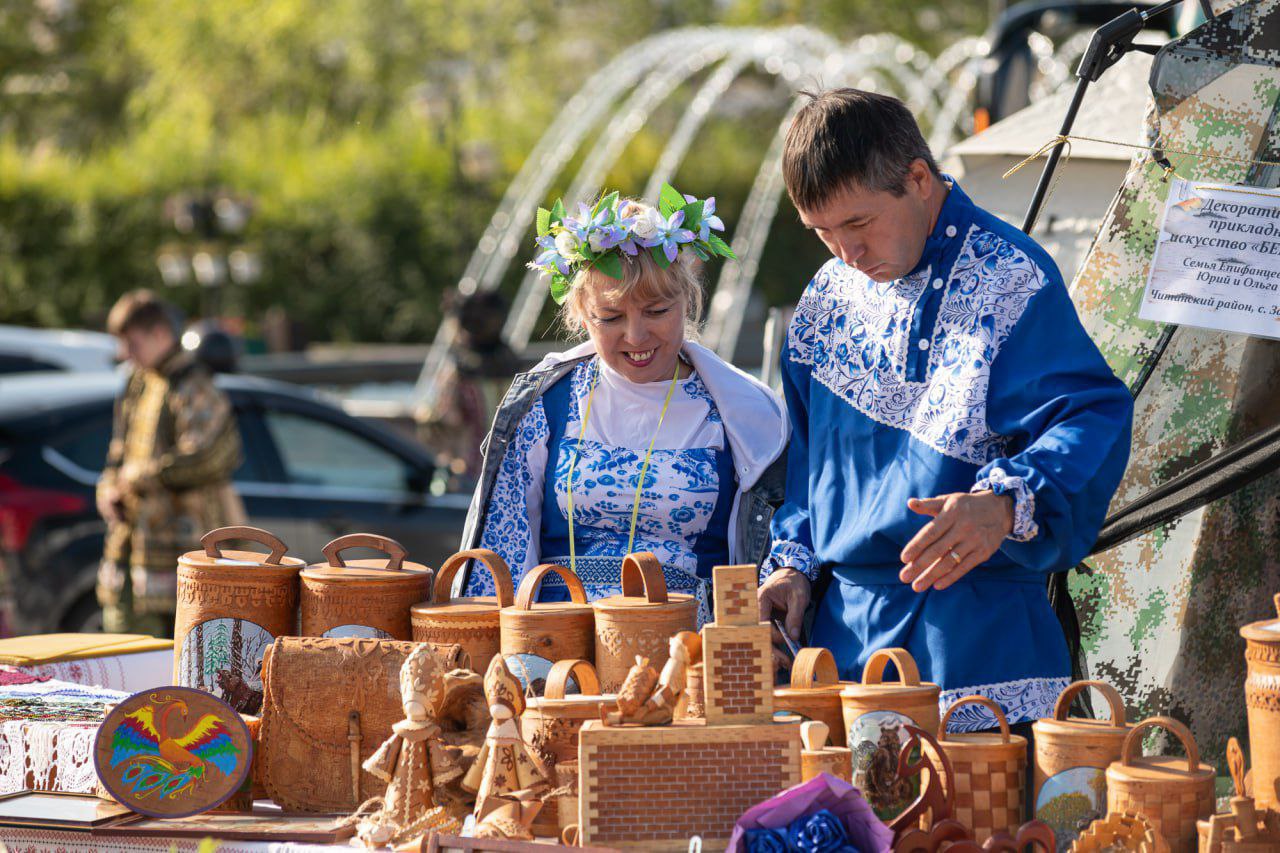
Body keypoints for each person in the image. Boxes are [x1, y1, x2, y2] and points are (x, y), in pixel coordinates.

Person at [757, 89, 1134, 732]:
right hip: (843, 647)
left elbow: (1091, 415)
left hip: (981, 639)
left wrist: (1004, 505)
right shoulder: (825, 298)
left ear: (918, 179)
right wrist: (793, 564)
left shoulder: (1010, 278)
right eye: (822, 232)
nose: (846, 253)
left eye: (858, 223)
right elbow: (808, 468)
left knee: (979, 803)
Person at [455, 187, 788, 626]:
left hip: (686, 647)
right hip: (559, 644)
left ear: (687, 301)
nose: (635, 336)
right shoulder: (545, 403)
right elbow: (501, 552)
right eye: (611, 318)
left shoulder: (741, 412)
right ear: (581, 314)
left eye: (657, 311)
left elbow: (781, 548)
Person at [97, 291, 245, 635]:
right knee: (125, 638)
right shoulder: (136, 381)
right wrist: (107, 488)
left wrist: (139, 477)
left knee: (186, 644)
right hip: (133, 543)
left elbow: (206, 456)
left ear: (160, 334)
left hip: (186, 541)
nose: (125, 353)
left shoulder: (194, 384)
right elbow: (118, 450)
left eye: (132, 343)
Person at [416, 289, 524, 490]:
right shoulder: (515, 365)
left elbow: (442, 423)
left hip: (470, 476)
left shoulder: (458, 373)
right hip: (514, 475)